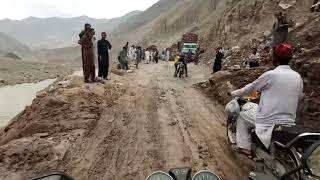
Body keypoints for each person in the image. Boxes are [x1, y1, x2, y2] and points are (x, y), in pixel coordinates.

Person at [230, 44, 303, 156]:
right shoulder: (297, 77)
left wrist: (234, 93)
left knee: (242, 116)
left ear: (275, 58)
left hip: (268, 121)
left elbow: (251, 88)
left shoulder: (271, 75)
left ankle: (244, 148)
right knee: (254, 109)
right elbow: (298, 96)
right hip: (289, 122)